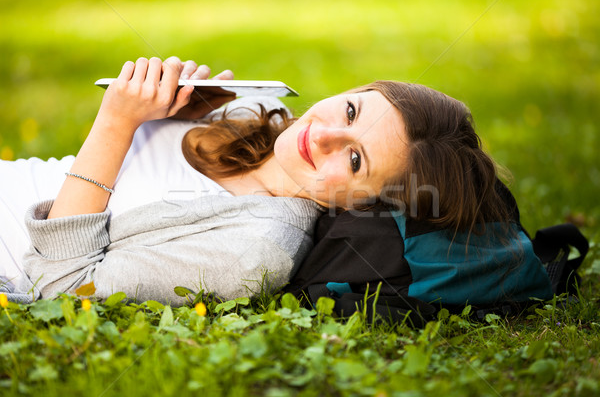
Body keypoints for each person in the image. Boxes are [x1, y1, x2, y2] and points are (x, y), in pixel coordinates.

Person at [1, 56, 551, 307]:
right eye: (353, 111)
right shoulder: (259, 108)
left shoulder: (254, 247)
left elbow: (64, 287)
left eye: (356, 160)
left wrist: (116, 122)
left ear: (366, 205)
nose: (326, 134)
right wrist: (167, 113)